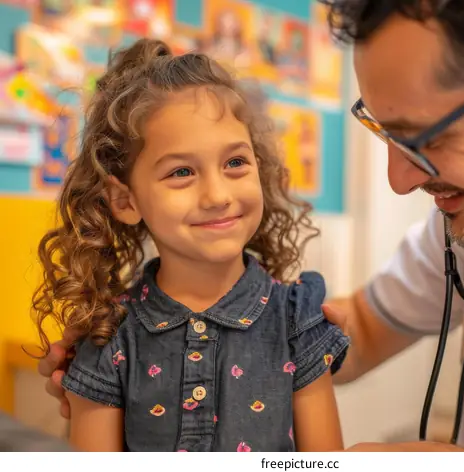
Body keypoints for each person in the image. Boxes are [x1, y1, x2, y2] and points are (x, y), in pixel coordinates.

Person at [37, 0, 464, 452]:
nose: (399, 181)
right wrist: (141, 353)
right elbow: (364, 329)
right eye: (385, 134)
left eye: (427, 136)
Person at [30, 38, 349, 452]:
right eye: (182, 171)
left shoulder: (299, 322)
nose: (217, 195)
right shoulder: (108, 336)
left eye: (235, 162)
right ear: (126, 200)